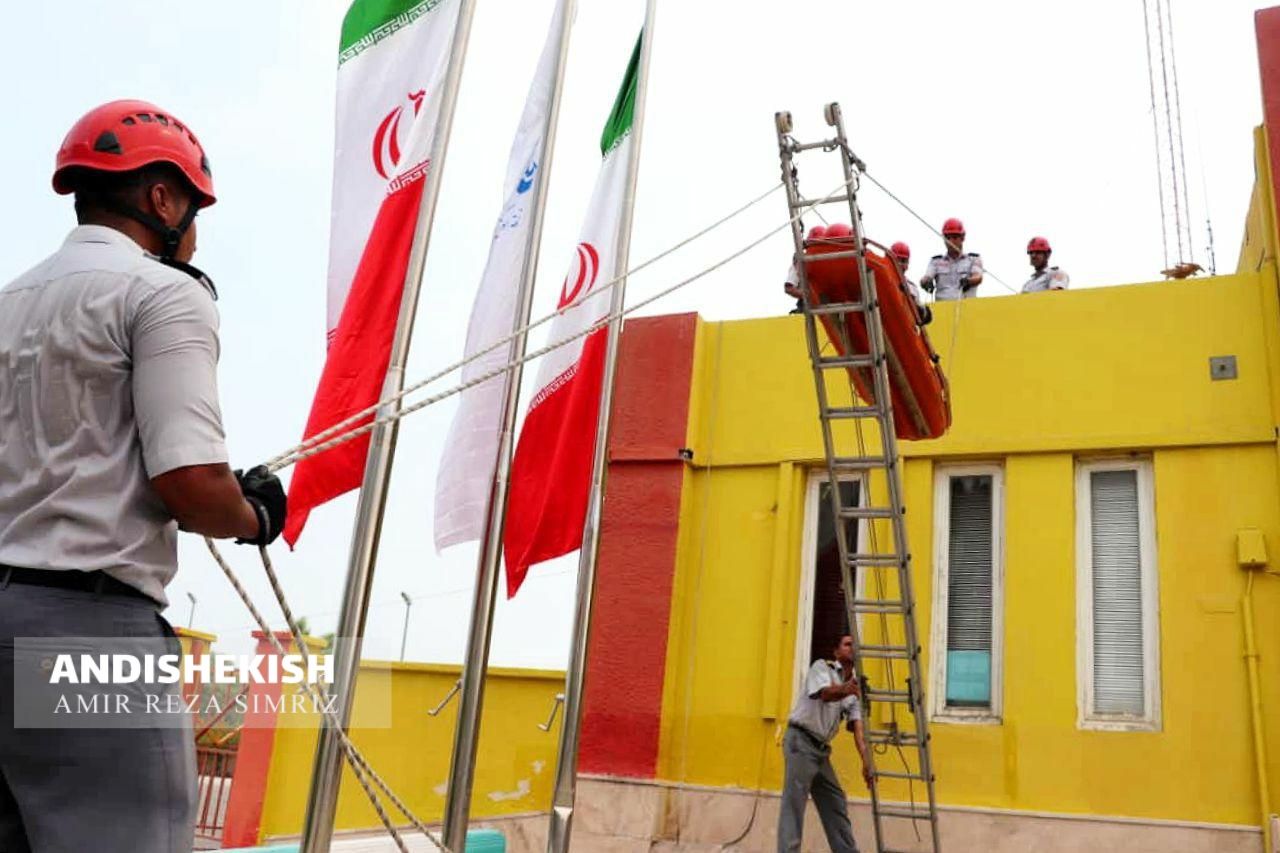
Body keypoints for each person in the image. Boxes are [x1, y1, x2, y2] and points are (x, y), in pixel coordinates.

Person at [0, 100, 286, 853]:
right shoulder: (164, 294)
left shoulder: (9, 302)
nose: (194, 232)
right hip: (88, 629)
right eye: (194, 209)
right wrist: (254, 513)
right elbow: (190, 484)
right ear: (161, 198)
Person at [778, 634, 872, 853]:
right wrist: (847, 689)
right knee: (794, 803)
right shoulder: (822, 668)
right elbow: (825, 694)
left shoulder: (855, 688)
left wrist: (866, 761)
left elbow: (858, 728)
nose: (853, 647)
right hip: (801, 741)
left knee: (835, 800)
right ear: (836, 652)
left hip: (820, 750)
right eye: (847, 644)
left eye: (855, 644)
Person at [919, 217, 984, 301]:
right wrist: (925, 283)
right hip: (942, 306)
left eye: (955, 237)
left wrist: (968, 281)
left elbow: (978, 277)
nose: (950, 241)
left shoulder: (973, 259)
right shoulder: (936, 261)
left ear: (962, 238)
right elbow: (926, 277)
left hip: (966, 306)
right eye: (947, 238)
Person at [890, 240, 932, 324]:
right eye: (897, 260)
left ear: (907, 264)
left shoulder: (912, 288)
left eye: (903, 261)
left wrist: (923, 312)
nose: (900, 264)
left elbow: (921, 316)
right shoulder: (881, 278)